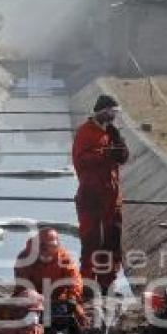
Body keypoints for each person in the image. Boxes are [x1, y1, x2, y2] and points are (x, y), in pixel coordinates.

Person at [72, 94, 130, 297]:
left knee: (112, 242)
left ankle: (107, 284)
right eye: (112, 112)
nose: (114, 116)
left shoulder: (110, 132)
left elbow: (121, 157)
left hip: (111, 198)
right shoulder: (85, 133)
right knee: (91, 240)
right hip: (91, 197)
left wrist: (119, 146)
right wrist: (105, 153)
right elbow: (82, 160)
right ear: (103, 112)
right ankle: (88, 285)